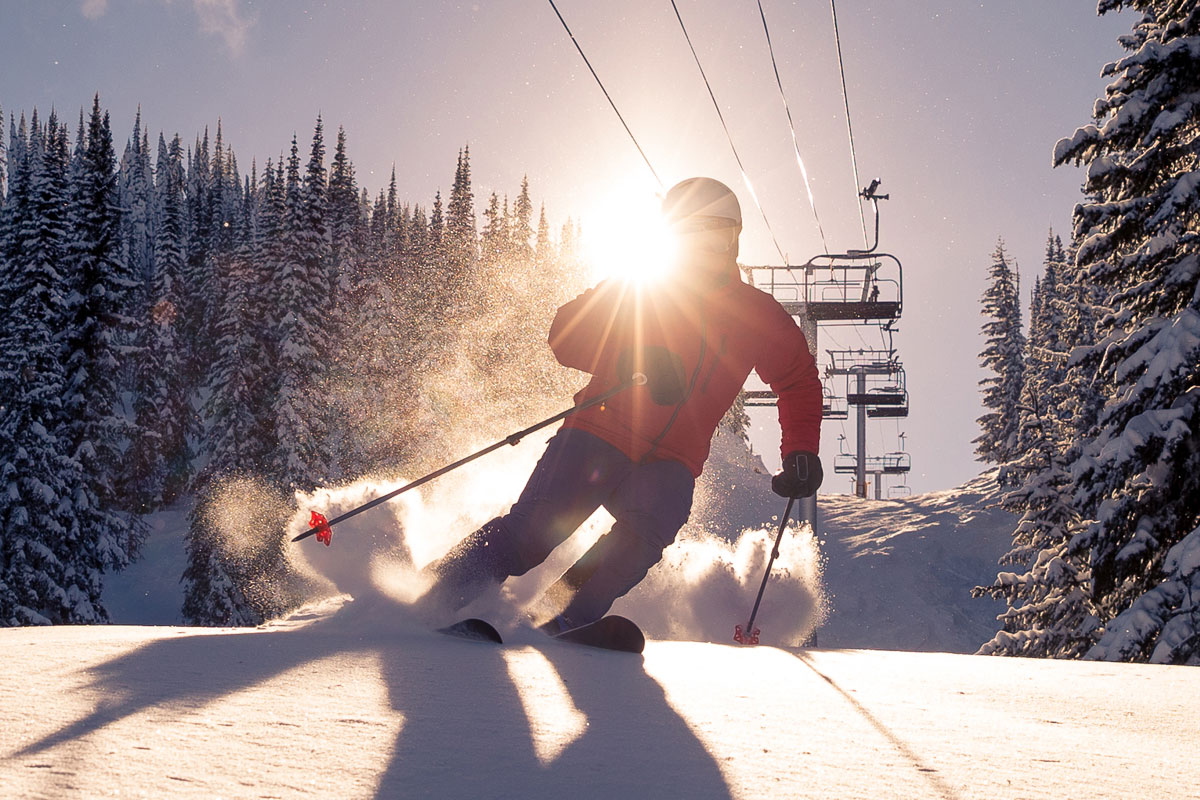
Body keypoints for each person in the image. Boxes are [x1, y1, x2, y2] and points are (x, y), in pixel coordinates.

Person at [417, 177, 824, 633]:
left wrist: (801, 450)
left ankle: (559, 615)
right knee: (535, 532)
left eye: (714, 235)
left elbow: (798, 380)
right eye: (689, 236)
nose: (703, 249)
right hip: (598, 433)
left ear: (734, 238)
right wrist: (633, 353)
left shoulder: (757, 315)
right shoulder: (641, 287)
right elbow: (565, 333)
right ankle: (434, 599)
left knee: (647, 532)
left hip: (671, 460)